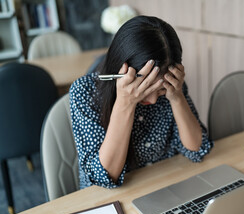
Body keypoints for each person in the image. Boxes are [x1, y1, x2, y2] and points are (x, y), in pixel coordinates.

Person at [70, 16, 213, 189]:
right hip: (107, 203)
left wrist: (176, 97)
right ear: (120, 71)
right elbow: (104, 178)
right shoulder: (85, 92)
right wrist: (126, 103)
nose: (153, 100)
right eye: (145, 89)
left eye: (159, 91)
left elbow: (197, 150)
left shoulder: (172, 85)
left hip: (165, 188)